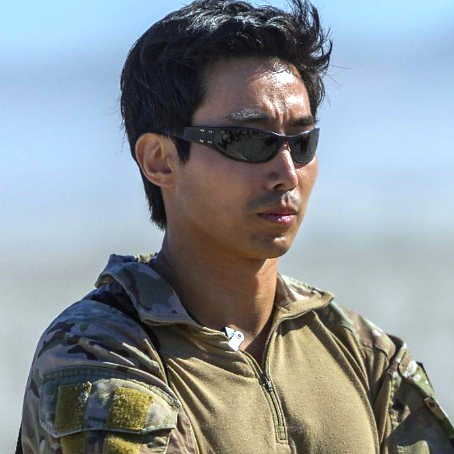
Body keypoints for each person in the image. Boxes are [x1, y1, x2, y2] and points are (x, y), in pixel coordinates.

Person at [19, 0, 454, 453]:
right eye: (248, 140)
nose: (286, 173)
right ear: (160, 160)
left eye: (302, 142)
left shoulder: (364, 355)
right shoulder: (99, 351)